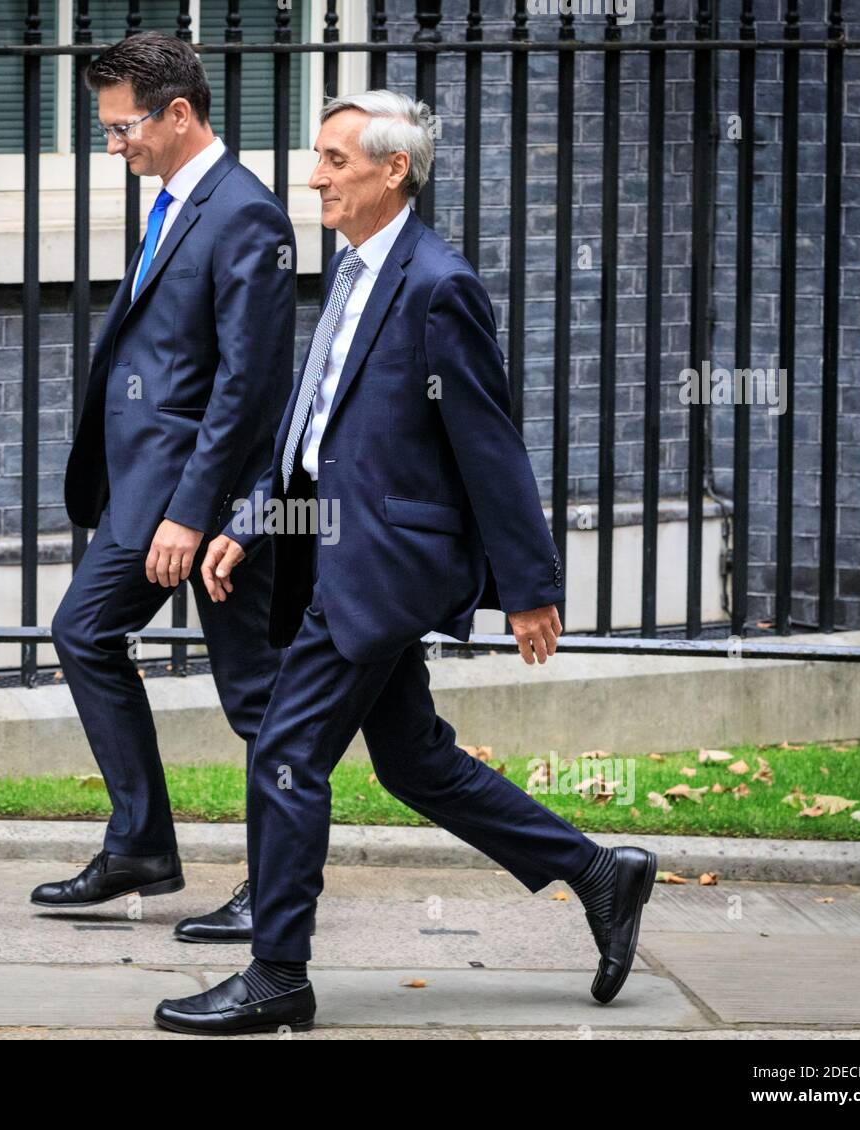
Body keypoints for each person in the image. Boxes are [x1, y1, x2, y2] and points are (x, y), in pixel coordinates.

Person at [152, 91, 656, 1035]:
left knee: (290, 751)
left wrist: (531, 587)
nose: (314, 177)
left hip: (382, 566)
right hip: (330, 551)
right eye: (317, 157)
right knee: (415, 763)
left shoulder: (436, 283)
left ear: (395, 171)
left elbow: (488, 443)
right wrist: (253, 524)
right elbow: (315, 436)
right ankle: (599, 874)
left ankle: (277, 973)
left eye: (336, 160)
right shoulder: (351, 273)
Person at [35, 33, 296, 939]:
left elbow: (247, 386)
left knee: (257, 699)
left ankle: (272, 894)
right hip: (148, 495)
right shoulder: (177, 202)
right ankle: (141, 842)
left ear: (179, 113)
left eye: (122, 128)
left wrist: (190, 513)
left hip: (210, 503)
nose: (114, 145)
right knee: (84, 632)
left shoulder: (244, 215)